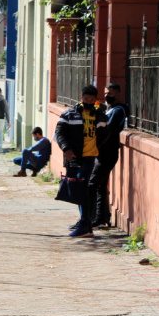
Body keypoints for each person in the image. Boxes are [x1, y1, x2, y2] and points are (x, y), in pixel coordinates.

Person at [53, 84, 105, 238]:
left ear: (96, 100)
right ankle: (85, 223)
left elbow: (105, 134)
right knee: (77, 188)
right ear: (81, 98)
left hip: (89, 157)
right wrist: (66, 149)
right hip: (74, 157)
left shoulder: (100, 116)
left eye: (92, 99)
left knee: (83, 187)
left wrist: (98, 147)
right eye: (86, 98)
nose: (88, 101)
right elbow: (59, 132)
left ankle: (84, 223)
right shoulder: (69, 114)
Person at [90, 83, 127, 229]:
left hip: (108, 152)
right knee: (100, 185)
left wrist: (96, 145)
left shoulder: (118, 111)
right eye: (106, 93)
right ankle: (102, 217)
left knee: (92, 184)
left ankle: (89, 218)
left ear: (118, 94)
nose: (107, 96)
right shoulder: (108, 110)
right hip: (102, 152)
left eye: (111, 93)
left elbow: (108, 131)